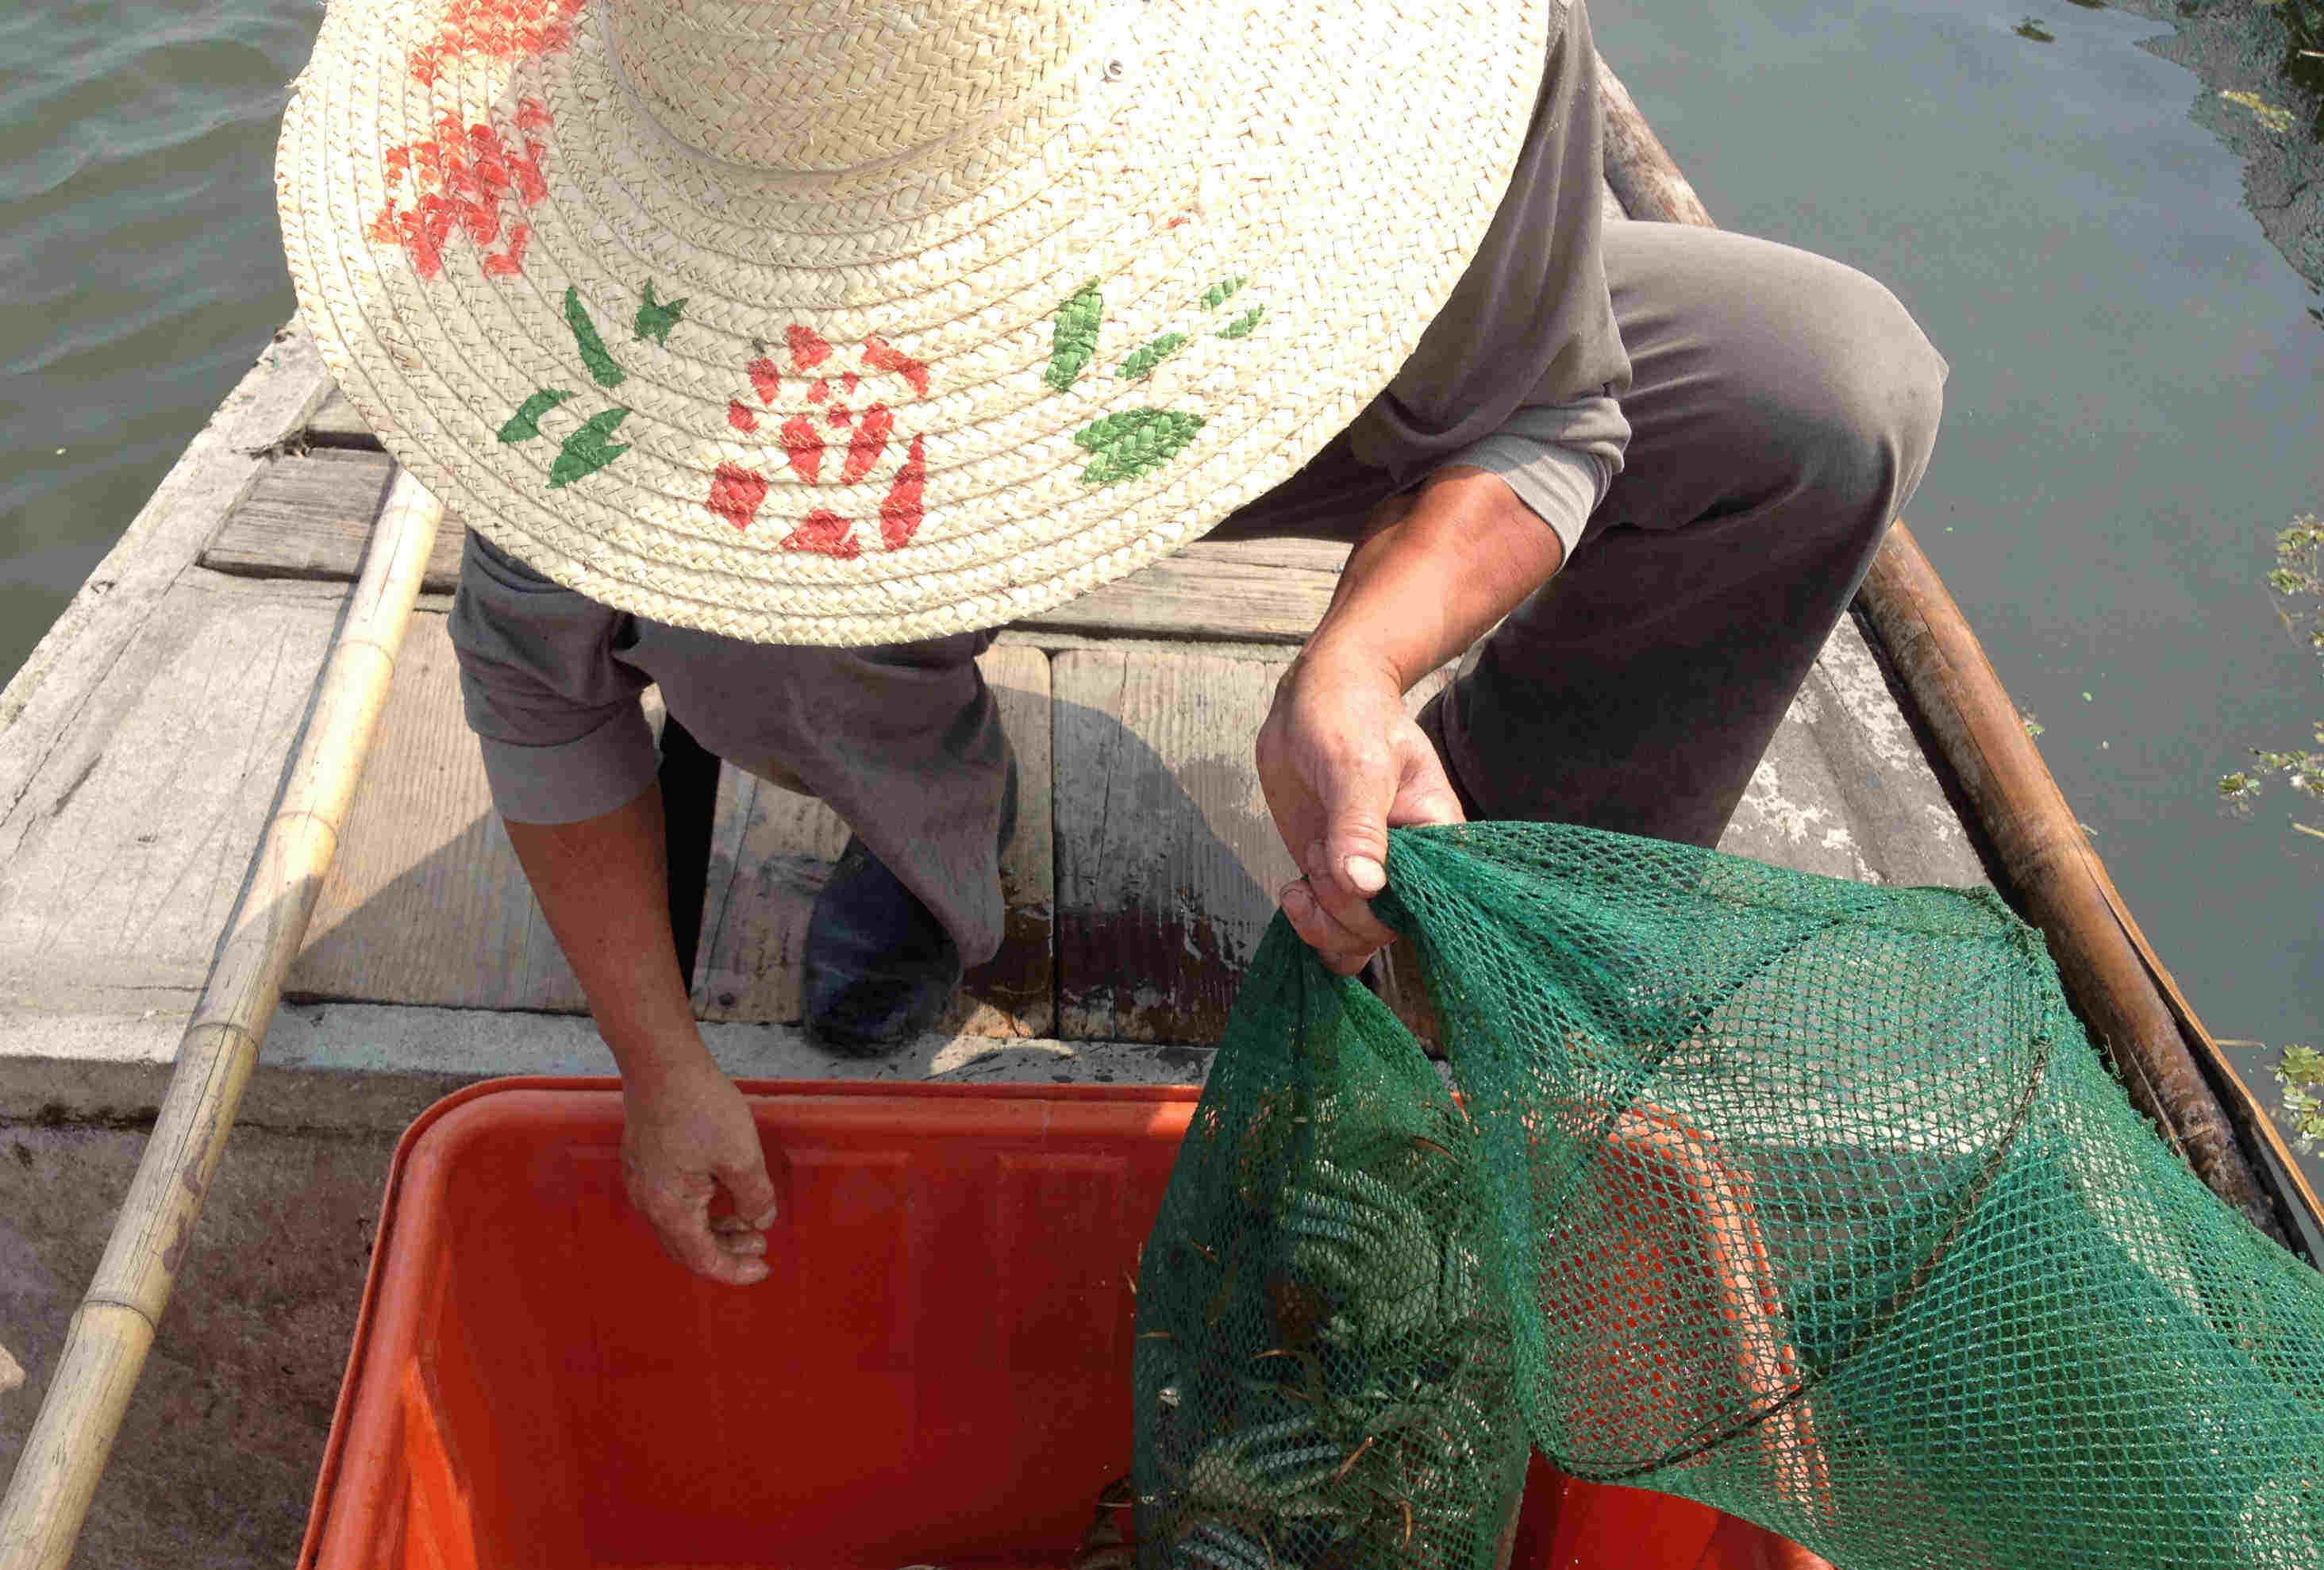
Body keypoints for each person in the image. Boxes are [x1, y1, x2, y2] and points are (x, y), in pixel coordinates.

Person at [277, 0, 1945, 1287]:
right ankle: (930, 848)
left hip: (1306, 341)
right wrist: (658, 1063)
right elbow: (535, 677)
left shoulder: (1435, 57)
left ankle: (1470, 888)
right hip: (835, 451)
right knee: (740, 645)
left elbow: (1547, 403)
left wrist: (1358, 661)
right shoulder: (601, 255)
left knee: (1823, 386)